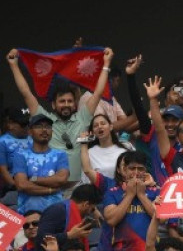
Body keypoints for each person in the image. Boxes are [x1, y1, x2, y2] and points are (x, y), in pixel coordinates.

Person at [7, 47, 114, 182]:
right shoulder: (45, 121)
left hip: (78, 187)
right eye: (62, 101)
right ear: (53, 105)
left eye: (70, 101)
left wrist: (106, 64)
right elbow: (26, 93)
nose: (66, 104)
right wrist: (14, 65)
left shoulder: (83, 118)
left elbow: (98, 93)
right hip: (51, 186)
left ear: (75, 105)